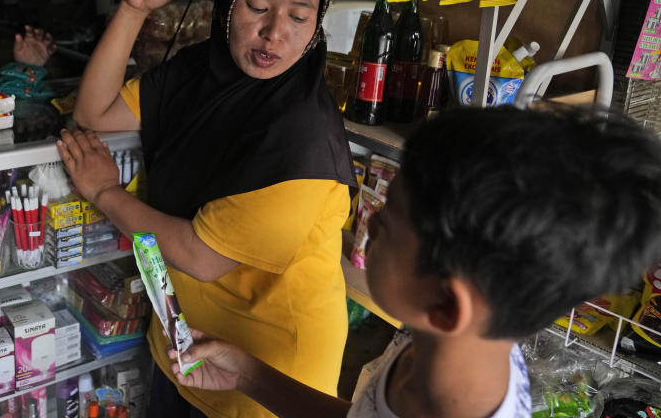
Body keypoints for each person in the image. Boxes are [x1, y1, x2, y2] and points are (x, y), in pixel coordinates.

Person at [165, 107, 661, 418]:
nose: (371, 221)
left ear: (446, 303)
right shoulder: (452, 345)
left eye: (390, 224)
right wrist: (249, 374)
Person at [58, 0, 358, 418]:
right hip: (183, 345)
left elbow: (201, 255)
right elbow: (95, 113)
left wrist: (106, 193)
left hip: (266, 383)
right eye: (257, 7)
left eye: (300, 18)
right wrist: (134, 10)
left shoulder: (304, 139)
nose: (274, 33)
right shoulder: (202, 70)